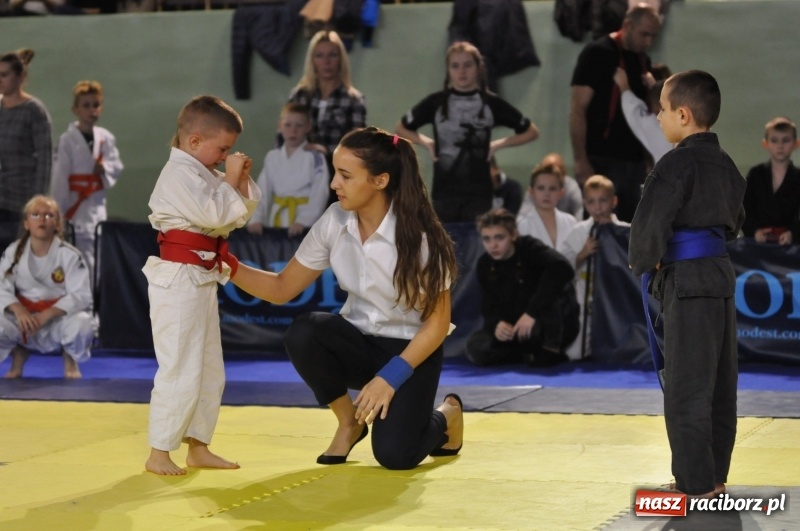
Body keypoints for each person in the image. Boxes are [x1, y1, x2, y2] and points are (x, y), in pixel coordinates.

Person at [231, 127, 464, 470]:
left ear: (380, 180)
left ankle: (449, 414)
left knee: (396, 457)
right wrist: (225, 264)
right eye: (335, 172)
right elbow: (281, 288)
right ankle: (349, 422)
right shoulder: (334, 220)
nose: (333, 184)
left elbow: (437, 323)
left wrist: (391, 378)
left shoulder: (421, 237)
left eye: (345, 175)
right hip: (358, 344)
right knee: (305, 331)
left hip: (411, 353)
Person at [629, 70, 746, 498]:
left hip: (688, 280)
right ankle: (713, 476)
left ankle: (695, 484)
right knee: (718, 384)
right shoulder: (728, 163)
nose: (658, 117)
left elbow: (648, 227)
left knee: (686, 389)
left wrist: (647, 260)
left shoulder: (675, 163)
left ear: (683, 114)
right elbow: (735, 224)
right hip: (719, 275)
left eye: (661, 109)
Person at [141, 95, 260, 476]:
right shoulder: (176, 174)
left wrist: (237, 179)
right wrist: (230, 180)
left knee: (209, 368)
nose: (225, 156)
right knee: (180, 367)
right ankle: (159, 451)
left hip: (202, 278)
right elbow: (215, 213)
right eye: (221, 149)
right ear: (194, 142)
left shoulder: (202, 172)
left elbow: (234, 218)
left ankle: (198, 446)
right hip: (177, 280)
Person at [396, 41, 539, 223]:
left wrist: (497, 145)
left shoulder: (490, 103)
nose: (461, 71)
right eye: (455, 66)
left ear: (478, 67)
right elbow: (401, 128)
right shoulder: (436, 103)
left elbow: (531, 131)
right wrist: (428, 143)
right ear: (448, 70)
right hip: (444, 191)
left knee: (477, 245)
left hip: (479, 194)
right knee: (446, 246)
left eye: (468, 65)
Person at [569, 4, 661, 222]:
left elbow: (643, 116)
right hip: (601, 158)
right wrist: (581, 159)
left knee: (631, 230)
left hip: (634, 161)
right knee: (599, 226)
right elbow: (577, 108)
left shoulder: (643, 61)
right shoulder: (597, 53)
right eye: (644, 34)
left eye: (653, 36)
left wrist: (649, 159)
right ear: (628, 25)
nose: (648, 42)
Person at [467, 208, 578, 367]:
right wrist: (497, 324)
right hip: (514, 328)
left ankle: (550, 350)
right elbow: (488, 304)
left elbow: (563, 268)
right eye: (487, 239)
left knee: (552, 287)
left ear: (513, 235)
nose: (493, 245)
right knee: (476, 346)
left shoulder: (529, 248)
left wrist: (531, 313)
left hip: (543, 323)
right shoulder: (485, 264)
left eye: (499, 237)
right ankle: (522, 355)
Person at [0, 195, 94, 379]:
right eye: (35, 215)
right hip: (22, 322)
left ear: (58, 224)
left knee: (83, 324)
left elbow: (80, 295)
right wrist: (18, 309)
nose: (42, 219)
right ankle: (18, 354)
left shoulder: (70, 256)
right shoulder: (13, 252)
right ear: (26, 223)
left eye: (49, 215)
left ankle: (70, 357)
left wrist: (47, 314)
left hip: (56, 321)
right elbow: (1, 286)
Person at [51, 80, 124, 284]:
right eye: (86, 105)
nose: (92, 110)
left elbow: (116, 166)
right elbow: (60, 178)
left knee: (96, 263)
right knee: (76, 262)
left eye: (96, 105)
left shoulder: (106, 138)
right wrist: (59, 213)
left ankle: (93, 309)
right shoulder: (67, 140)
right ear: (75, 109)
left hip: (96, 207)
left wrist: (105, 169)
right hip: (74, 208)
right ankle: (80, 308)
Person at [288, 30, 366, 205]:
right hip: (299, 177)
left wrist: (325, 151)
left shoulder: (353, 99)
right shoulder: (299, 96)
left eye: (332, 55)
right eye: (320, 56)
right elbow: (282, 139)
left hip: (337, 179)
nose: (326, 62)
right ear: (312, 61)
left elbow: (358, 148)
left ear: (341, 60)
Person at [558, 175, 629, 360]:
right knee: (575, 354)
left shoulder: (625, 232)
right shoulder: (578, 232)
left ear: (614, 201)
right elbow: (561, 267)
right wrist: (582, 254)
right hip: (583, 299)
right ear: (584, 203)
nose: (597, 207)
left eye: (603, 201)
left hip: (615, 301)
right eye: (591, 202)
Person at [247, 102, 329, 238]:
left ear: (308, 127)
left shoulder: (316, 157)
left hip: (305, 223)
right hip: (277, 218)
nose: (293, 131)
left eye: (299, 125)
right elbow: (262, 191)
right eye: (288, 125)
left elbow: (320, 193)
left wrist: (303, 221)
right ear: (279, 125)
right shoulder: (272, 156)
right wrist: (257, 219)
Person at [0, 49, 52, 223]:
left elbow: (44, 159)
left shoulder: (34, 110)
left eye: (4, 75)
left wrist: (37, 202)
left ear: (20, 76)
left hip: (21, 200)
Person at [741, 116, 800, 246]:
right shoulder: (756, 175)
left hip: (792, 245)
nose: (780, 146)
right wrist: (755, 231)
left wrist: (793, 233)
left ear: (796, 144)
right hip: (758, 243)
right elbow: (745, 208)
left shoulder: (798, 177)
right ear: (765, 143)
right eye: (774, 140)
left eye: (786, 140)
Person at [613, 66, 672, 163]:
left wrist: (624, 86)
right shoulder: (687, 122)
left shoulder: (658, 127)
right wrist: (655, 88)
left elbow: (634, 113)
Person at [517, 163, 577, 249]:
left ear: (561, 193)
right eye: (541, 188)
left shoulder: (570, 222)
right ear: (531, 192)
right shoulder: (523, 225)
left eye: (552, 189)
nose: (547, 194)